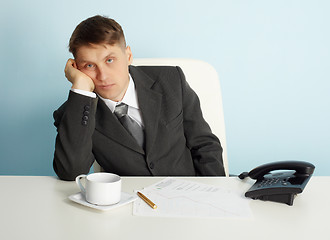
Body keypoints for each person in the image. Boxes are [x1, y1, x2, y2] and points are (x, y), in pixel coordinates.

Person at [53, 15, 225, 181]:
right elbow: (71, 172)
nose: (103, 76)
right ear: (76, 68)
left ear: (128, 56)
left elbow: (205, 145)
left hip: (189, 193)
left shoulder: (171, 80)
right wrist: (81, 88)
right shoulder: (75, 112)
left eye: (110, 60)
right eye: (89, 65)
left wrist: (215, 194)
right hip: (130, 202)